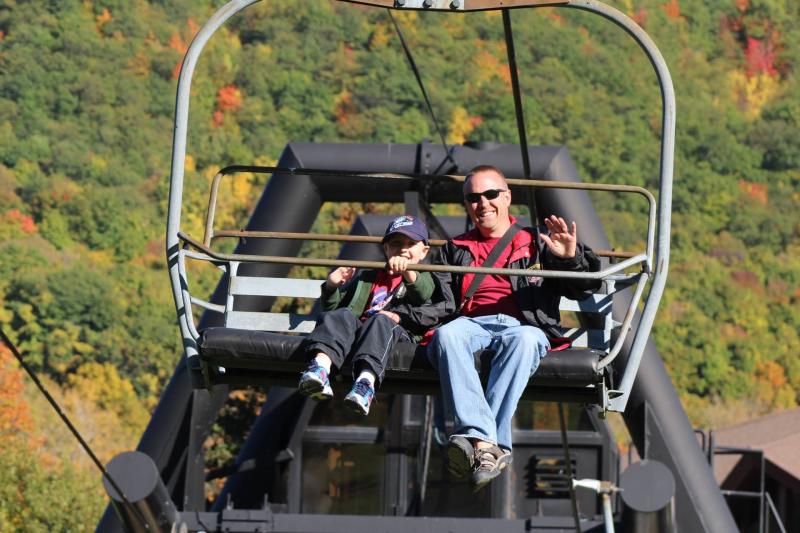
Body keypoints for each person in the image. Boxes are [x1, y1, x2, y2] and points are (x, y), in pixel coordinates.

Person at [428, 165, 601, 490]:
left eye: (491, 194)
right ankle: (491, 446)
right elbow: (440, 302)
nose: (483, 203)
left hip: (524, 325)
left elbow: (583, 288)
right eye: (473, 197)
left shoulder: (537, 242)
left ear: (507, 197)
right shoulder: (455, 248)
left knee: (524, 339)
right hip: (471, 324)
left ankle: (477, 439)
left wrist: (568, 259)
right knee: (447, 334)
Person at [297, 215, 451, 416]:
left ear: (424, 251)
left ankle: (366, 383)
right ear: (386, 249)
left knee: (380, 319)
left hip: (395, 331)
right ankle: (320, 368)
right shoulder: (370, 276)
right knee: (341, 315)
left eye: (411, 244)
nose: (403, 249)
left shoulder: (427, 275)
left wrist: (408, 273)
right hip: (361, 330)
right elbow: (333, 307)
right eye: (396, 243)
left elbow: (422, 294)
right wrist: (332, 285)